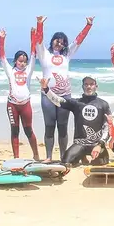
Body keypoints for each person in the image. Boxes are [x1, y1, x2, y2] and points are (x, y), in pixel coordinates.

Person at [35, 15, 94, 162]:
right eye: (57, 41)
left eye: (62, 42)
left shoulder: (67, 55)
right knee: (49, 126)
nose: (59, 44)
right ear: (52, 41)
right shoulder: (44, 54)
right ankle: (48, 156)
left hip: (64, 96)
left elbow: (78, 41)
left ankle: (62, 156)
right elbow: (39, 40)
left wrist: (88, 25)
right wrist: (39, 24)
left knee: (62, 126)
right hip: (47, 95)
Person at [41, 76, 111, 167]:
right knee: (66, 161)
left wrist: (100, 144)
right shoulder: (76, 103)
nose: (89, 87)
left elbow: (107, 127)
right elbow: (58, 101)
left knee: (102, 163)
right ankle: (81, 156)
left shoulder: (103, 104)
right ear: (83, 87)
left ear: (96, 86)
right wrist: (46, 89)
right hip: (80, 143)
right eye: (86, 84)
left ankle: (86, 156)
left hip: (96, 144)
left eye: (91, 84)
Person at [0, 26, 40, 160]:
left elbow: (34, 52)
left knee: (29, 130)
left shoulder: (29, 71)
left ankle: (36, 155)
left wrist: (32, 35)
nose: (22, 64)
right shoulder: (10, 71)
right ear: (15, 61)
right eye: (20, 61)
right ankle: (16, 157)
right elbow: (2, 56)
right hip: (12, 105)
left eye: (24, 61)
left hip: (25, 105)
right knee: (15, 130)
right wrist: (2, 38)